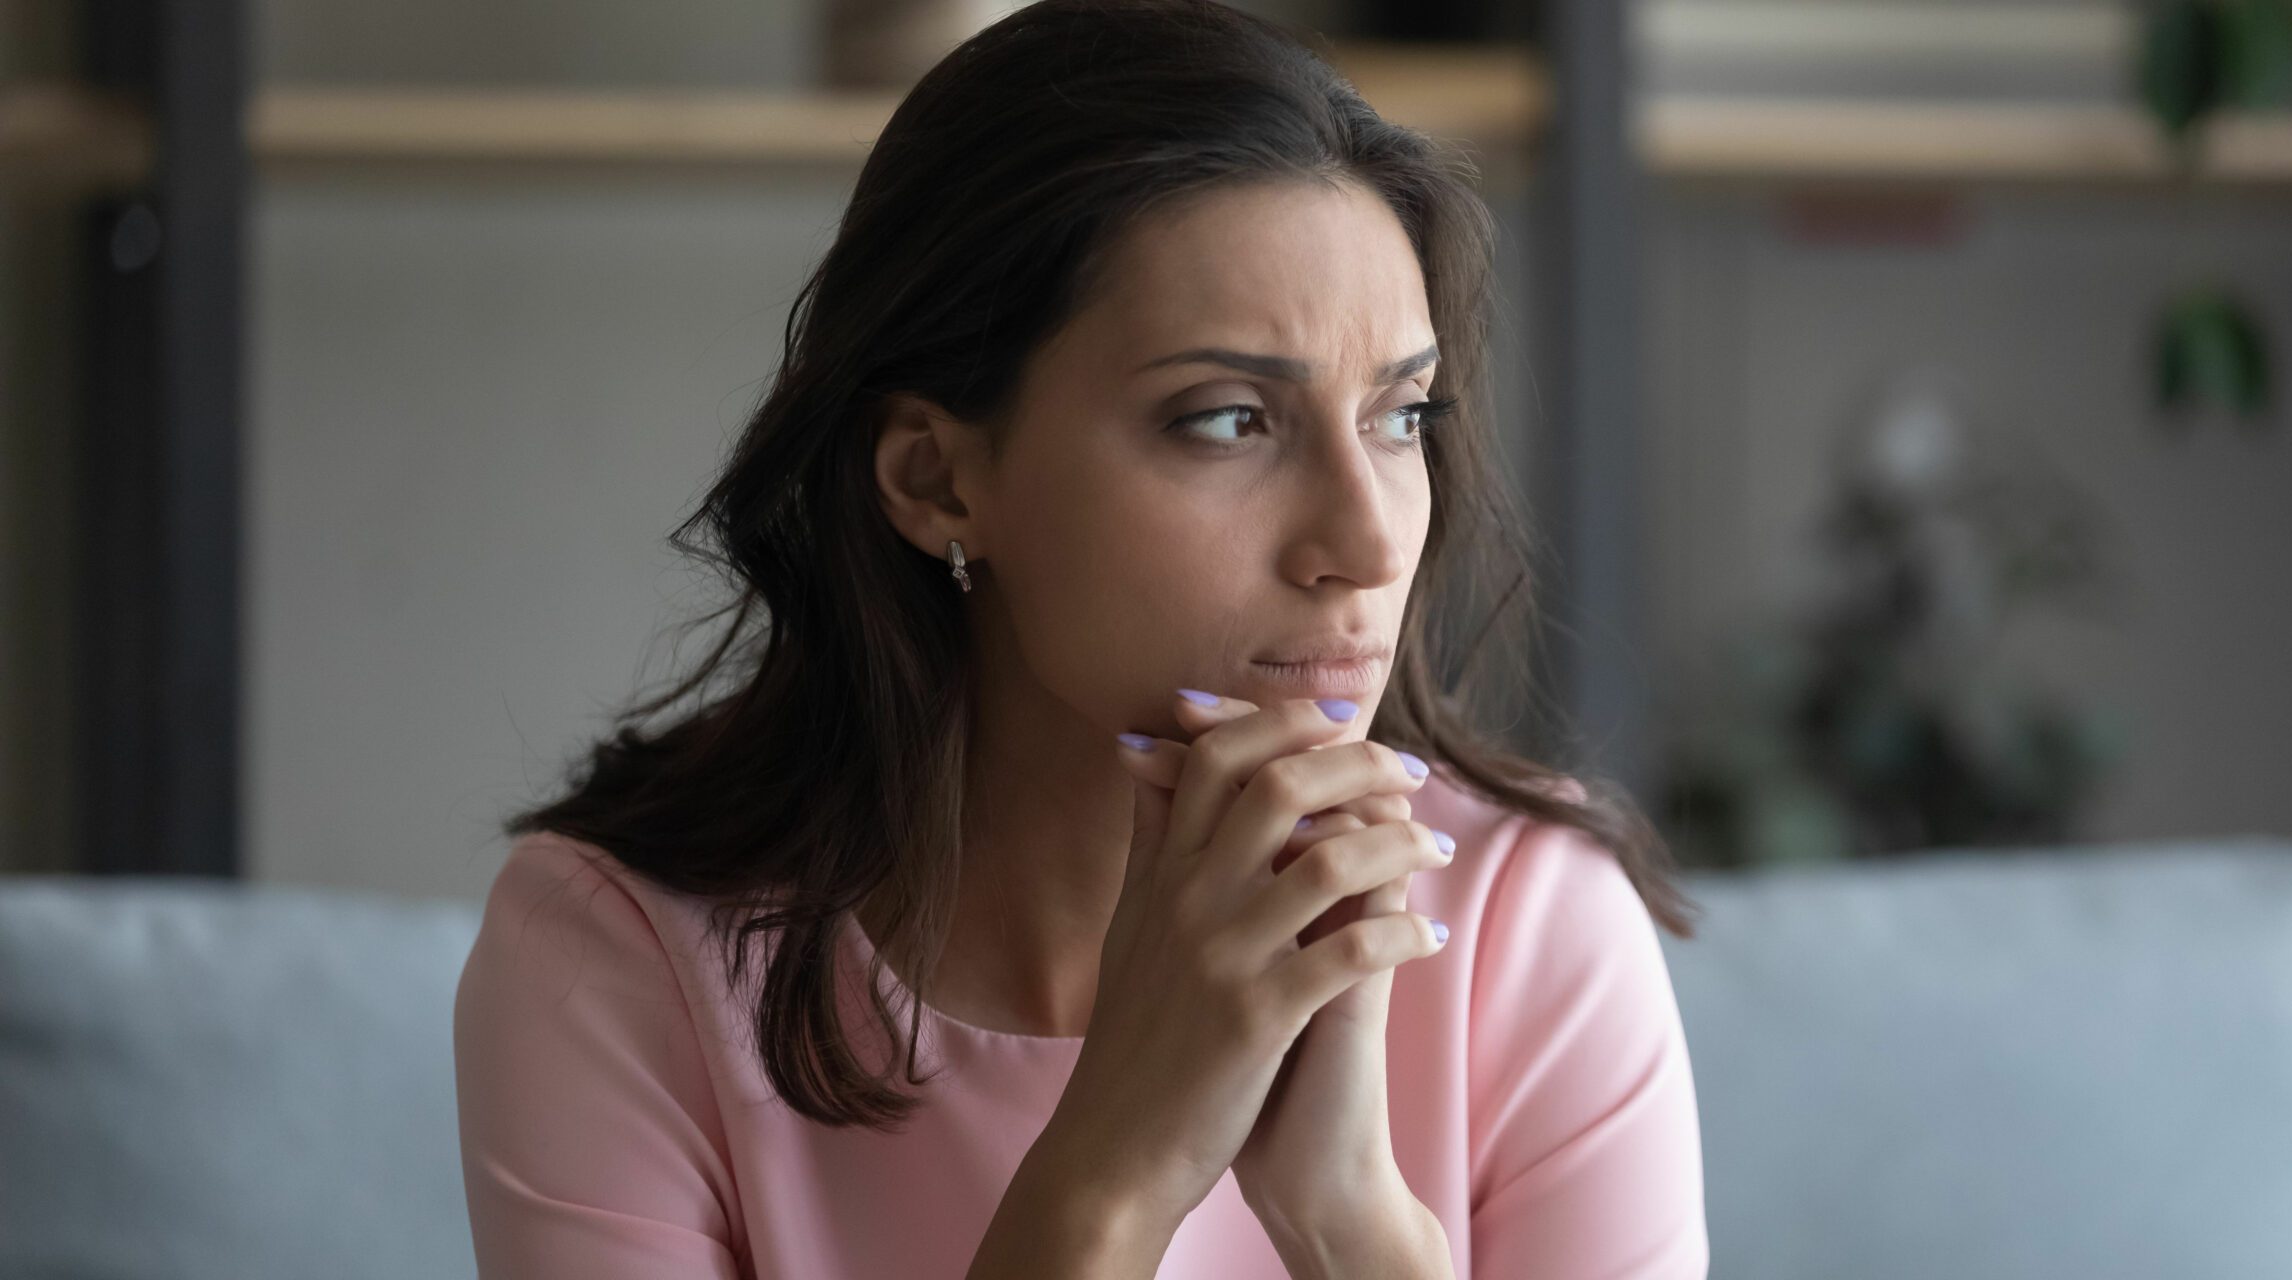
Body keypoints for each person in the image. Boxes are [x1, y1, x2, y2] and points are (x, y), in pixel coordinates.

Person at [450, 1, 1709, 1275]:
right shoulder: (620, 955)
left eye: (1398, 418)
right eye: (1226, 421)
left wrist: (1348, 1222)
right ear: (937, 479)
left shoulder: (1528, 920)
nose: (1371, 544)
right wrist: (1116, 1169)